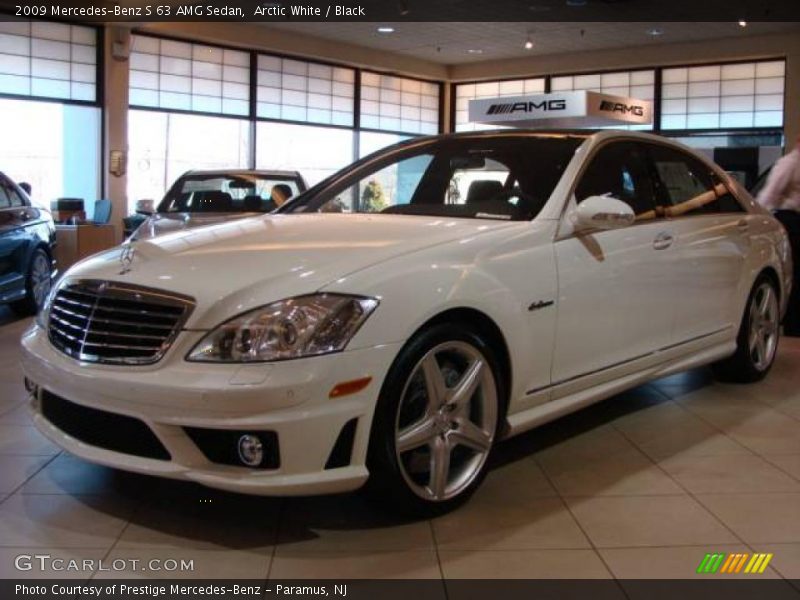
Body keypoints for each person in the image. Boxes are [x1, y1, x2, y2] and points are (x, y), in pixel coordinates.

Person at [758, 133, 800, 335]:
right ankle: (793, 324)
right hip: (790, 219)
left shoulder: (790, 162)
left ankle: (794, 323)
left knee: (795, 272)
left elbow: (770, 193)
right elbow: (772, 192)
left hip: (793, 220)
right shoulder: (790, 162)